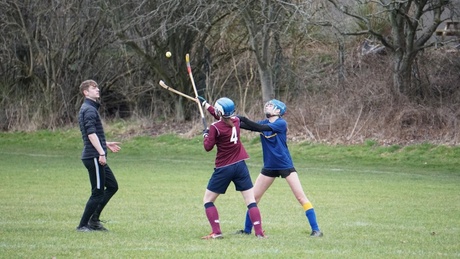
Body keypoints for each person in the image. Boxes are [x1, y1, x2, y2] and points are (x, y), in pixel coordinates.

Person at [236, 99, 323, 237]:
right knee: (254, 198)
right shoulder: (264, 122)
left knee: (301, 197)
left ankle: (316, 230)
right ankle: (246, 230)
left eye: (271, 106)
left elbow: (260, 129)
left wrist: (243, 118)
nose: (267, 107)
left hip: (285, 165)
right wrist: (226, 119)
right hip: (269, 167)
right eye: (267, 105)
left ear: (278, 111)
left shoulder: (281, 123)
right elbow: (245, 126)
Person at [198, 96, 265, 239]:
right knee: (250, 200)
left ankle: (216, 232)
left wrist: (205, 135)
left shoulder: (215, 128)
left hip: (224, 168)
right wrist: (205, 104)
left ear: (220, 112)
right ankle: (259, 233)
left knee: (208, 200)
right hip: (240, 165)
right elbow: (221, 115)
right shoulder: (236, 120)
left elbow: (207, 147)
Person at [76, 79, 121, 232]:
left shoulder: (90, 108)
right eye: (93, 88)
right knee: (97, 192)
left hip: (96, 153)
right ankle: (83, 225)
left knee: (113, 186)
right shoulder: (88, 109)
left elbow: (93, 134)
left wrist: (105, 143)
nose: (97, 90)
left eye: (97, 87)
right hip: (94, 156)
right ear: (85, 92)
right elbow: (90, 134)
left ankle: (94, 220)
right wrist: (101, 152)